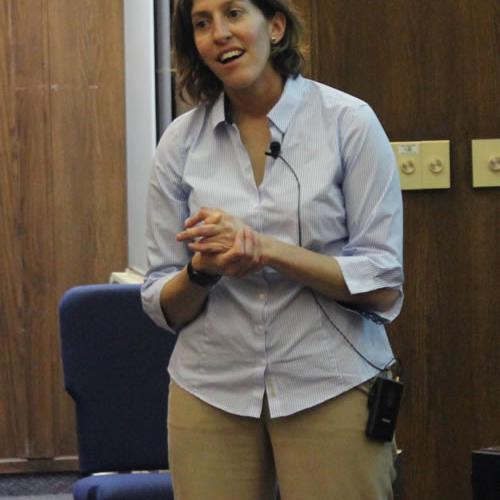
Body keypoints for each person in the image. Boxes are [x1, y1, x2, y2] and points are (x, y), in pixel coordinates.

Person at [141, 0, 404, 498]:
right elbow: (161, 302)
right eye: (202, 23)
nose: (219, 33)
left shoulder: (348, 122)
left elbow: (382, 283)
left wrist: (268, 251)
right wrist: (202, 270)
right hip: (210, 388)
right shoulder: (179, 144)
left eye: (234, 13)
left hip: (329, 380)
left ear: (276, 26)